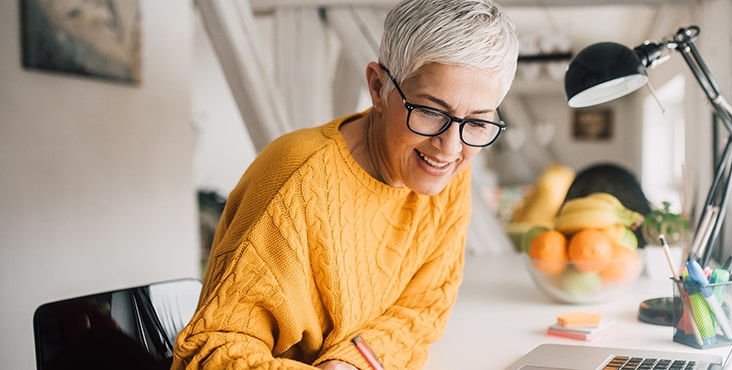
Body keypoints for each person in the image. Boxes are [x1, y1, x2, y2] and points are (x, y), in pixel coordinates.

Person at [171, 0, 519, 369]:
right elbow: (210, 351)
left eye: (478, 123)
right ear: (377, 87)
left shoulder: (448, 171)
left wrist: (355, 362)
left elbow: (422, 308)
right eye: (431, 112)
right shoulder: (297, 179)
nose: (450, 147)